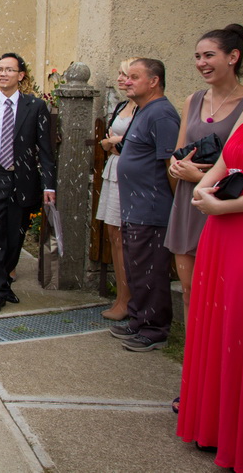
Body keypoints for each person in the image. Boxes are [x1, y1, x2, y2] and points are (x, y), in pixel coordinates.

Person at [177, 106, 243, 472]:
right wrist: (203, 190)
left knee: (240, 328)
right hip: (219, 231)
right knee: (219, 328)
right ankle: (216, 428)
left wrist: (225, 206)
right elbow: (223, 163)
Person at [166, 24, 243, 312]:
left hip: (228, 203)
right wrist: (176, 168)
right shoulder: (194, 100)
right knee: (189, 290)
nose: (201, 63)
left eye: (209, 55)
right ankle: (192, 344)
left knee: (220, 293)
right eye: (197, 56)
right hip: (189, 202)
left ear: (233, 57)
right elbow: (177, 152)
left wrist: (199, 176)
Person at [0, 53, 55, 313]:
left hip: (23, 178)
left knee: (15, 236)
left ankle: (5, 280)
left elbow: (45, 149)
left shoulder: (36, 106)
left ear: (20, 75)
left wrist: (49, 185)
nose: (2, 74)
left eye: (9, 70)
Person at [110, 58, 180, 352]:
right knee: (137, 269)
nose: (127, 81)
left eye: (134, 77)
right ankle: (139, 320)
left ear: (154, 81)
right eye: (127, 76)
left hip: (152, 209)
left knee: (151, 271)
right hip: (135, 208)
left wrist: (177, 209)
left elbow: (171, 165)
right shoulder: (143, 110)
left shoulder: (162, 114)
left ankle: (155, 330)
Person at [95, 58, 139, 320]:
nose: (121, 79)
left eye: (126, 74)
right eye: (121, 74)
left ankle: (128, 300)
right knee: (113, 234)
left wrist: (115, 142)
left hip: (129, 173)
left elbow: (132, 143)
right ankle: (121, 296)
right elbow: (107, 141)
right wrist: (112, 142)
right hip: (113, 169)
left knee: (125, 237)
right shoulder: (123, 105)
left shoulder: (144, 109)